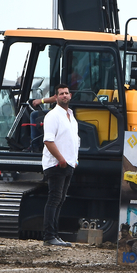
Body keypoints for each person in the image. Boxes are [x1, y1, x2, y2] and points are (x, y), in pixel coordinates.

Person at [42, 84, 79, 247]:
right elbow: (48, 141)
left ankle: (54, 235)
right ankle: (49, 236)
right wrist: (61, 160)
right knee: (54, 199)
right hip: (56, 165)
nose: (64, 96)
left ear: (70, 96)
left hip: (69, 164)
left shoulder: (70, 116)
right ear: (56, 97)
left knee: (60, 200)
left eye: (66, 93)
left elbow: (75, 141)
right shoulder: (53, 116)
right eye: (61, 94)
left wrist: (74, 161)